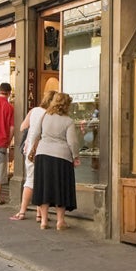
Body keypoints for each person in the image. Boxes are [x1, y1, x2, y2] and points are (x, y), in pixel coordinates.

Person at [26, 91, 80, 228]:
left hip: (43, 155)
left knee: (44, 187)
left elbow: (35, 134)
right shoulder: (68, 121)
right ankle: (60, 221)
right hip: (62, 158)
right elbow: (72, 142)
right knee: (60, 188)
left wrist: (32, 149)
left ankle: (43, 221)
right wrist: (75, 156)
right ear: (67, 105)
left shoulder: (45, 116)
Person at [13, 90, 57, 220]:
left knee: (31, 179)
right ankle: (34, 214)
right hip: (44, 150)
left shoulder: (34, 110)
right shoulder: (51, 115)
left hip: (31, 151)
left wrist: (32, 129)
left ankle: (26, 212)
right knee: (40, 181)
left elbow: (22, 127)